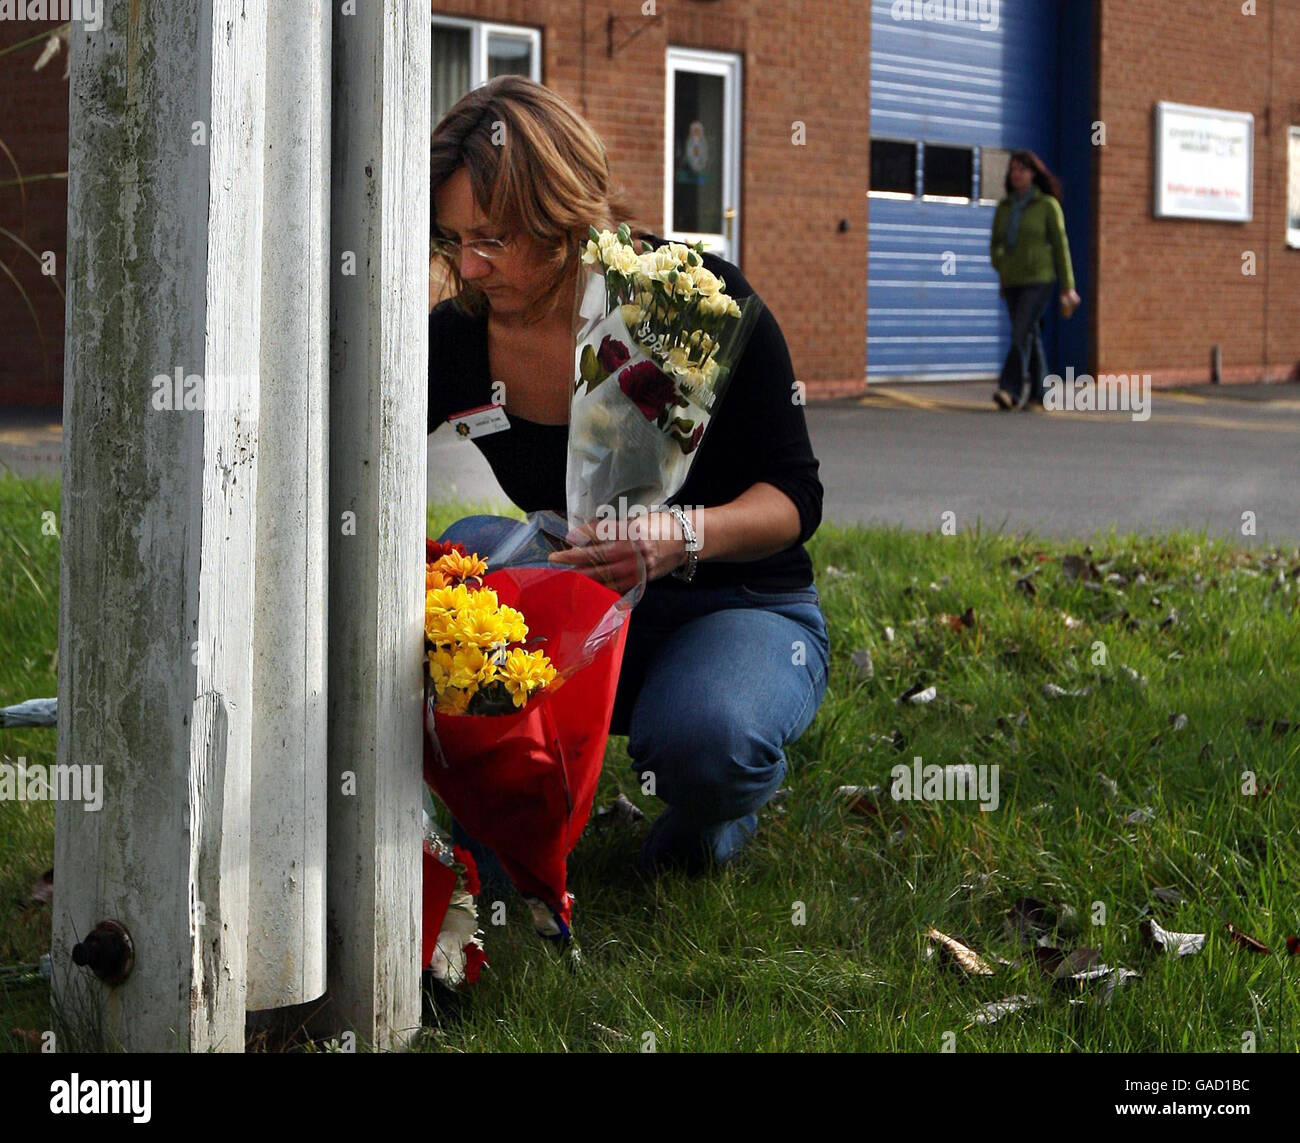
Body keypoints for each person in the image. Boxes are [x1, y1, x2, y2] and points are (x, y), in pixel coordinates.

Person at [427, 76, 829, 876]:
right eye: (451, 239)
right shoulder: (460, 335)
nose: (469, 267)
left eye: (493, 239)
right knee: (464, 559)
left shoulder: (688, 303)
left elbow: (796, 499)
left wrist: (677, 537)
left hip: (738, 602)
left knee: (703, 744)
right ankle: (508, 812)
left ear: (562, 218)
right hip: (588, 591)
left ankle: (726, 796)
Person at [988, 150, 1080, 410]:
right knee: (1029, 334)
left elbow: (1061, 246)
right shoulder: (1004, 208)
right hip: (1012, 280)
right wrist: (1002, 264)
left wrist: (1068, 286)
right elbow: (996, 244)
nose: (1017, 174)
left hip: (1039, 279)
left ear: (1034, 174)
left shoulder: (1047, 206)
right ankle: (1042, 393)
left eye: (1023, 169)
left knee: (1020, 333)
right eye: (1013, 169)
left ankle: (1009, 389)